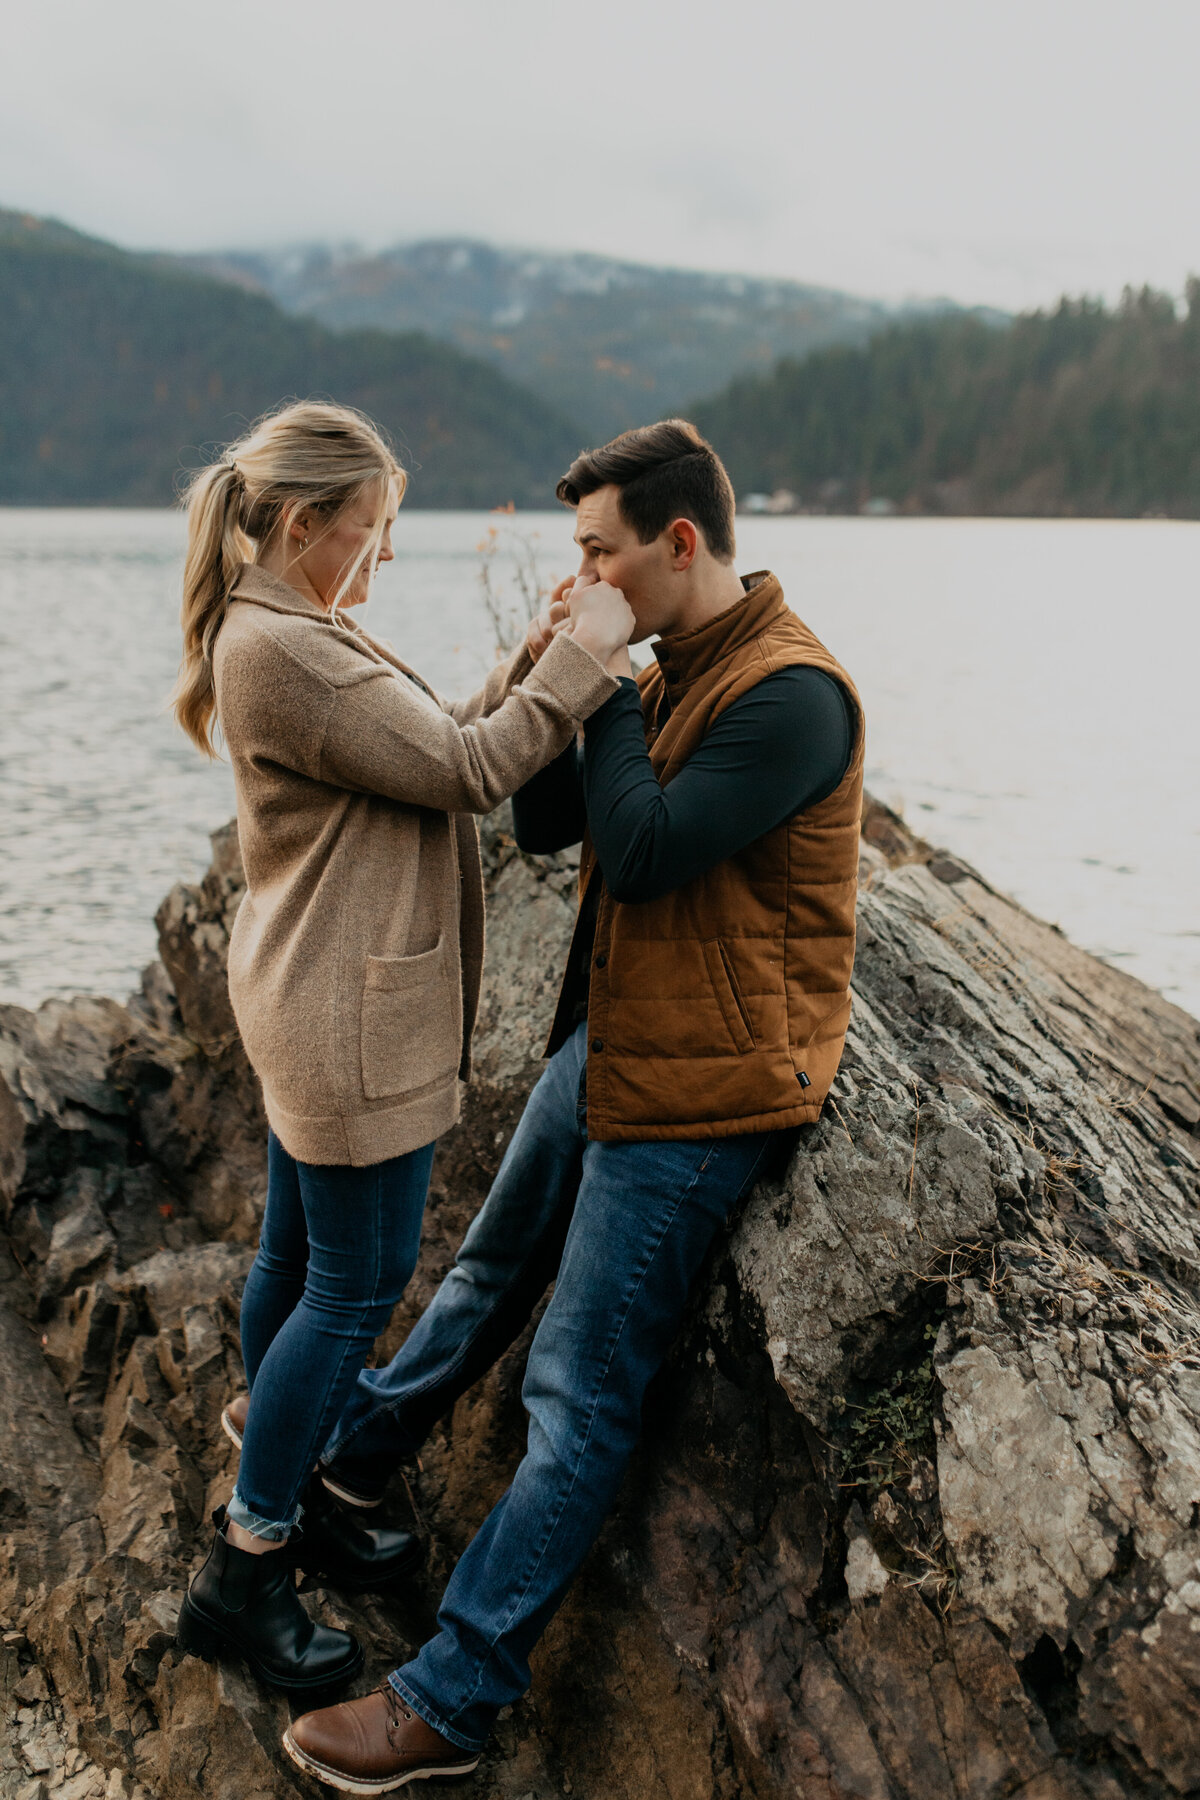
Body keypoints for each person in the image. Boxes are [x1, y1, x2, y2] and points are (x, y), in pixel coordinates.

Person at [279, 417, 866, 1790]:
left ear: (677, 544)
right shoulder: (666, 666)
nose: (584, 573)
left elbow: (649, 852)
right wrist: (571, 668)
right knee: (484, 1273)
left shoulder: (795, 693)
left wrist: (596, 685)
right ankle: (356, 1460)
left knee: (578, 1389)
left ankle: (452, 1698)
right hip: (618, 1040)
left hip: (707, 1090)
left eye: (599, 553)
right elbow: (547, 825)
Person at [170, 399, 631, 1696]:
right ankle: (247, 1565)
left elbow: (430, 749)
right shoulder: (292, 649)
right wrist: (587, 659)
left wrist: (533, 652)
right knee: (354, 1291)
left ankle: (287, 1471)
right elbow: (481, 771)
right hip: (347, 1020)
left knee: (295, 1259)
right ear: (308, 524)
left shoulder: (286, 626)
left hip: (307, 994)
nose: (384, 558)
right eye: (371, 533)